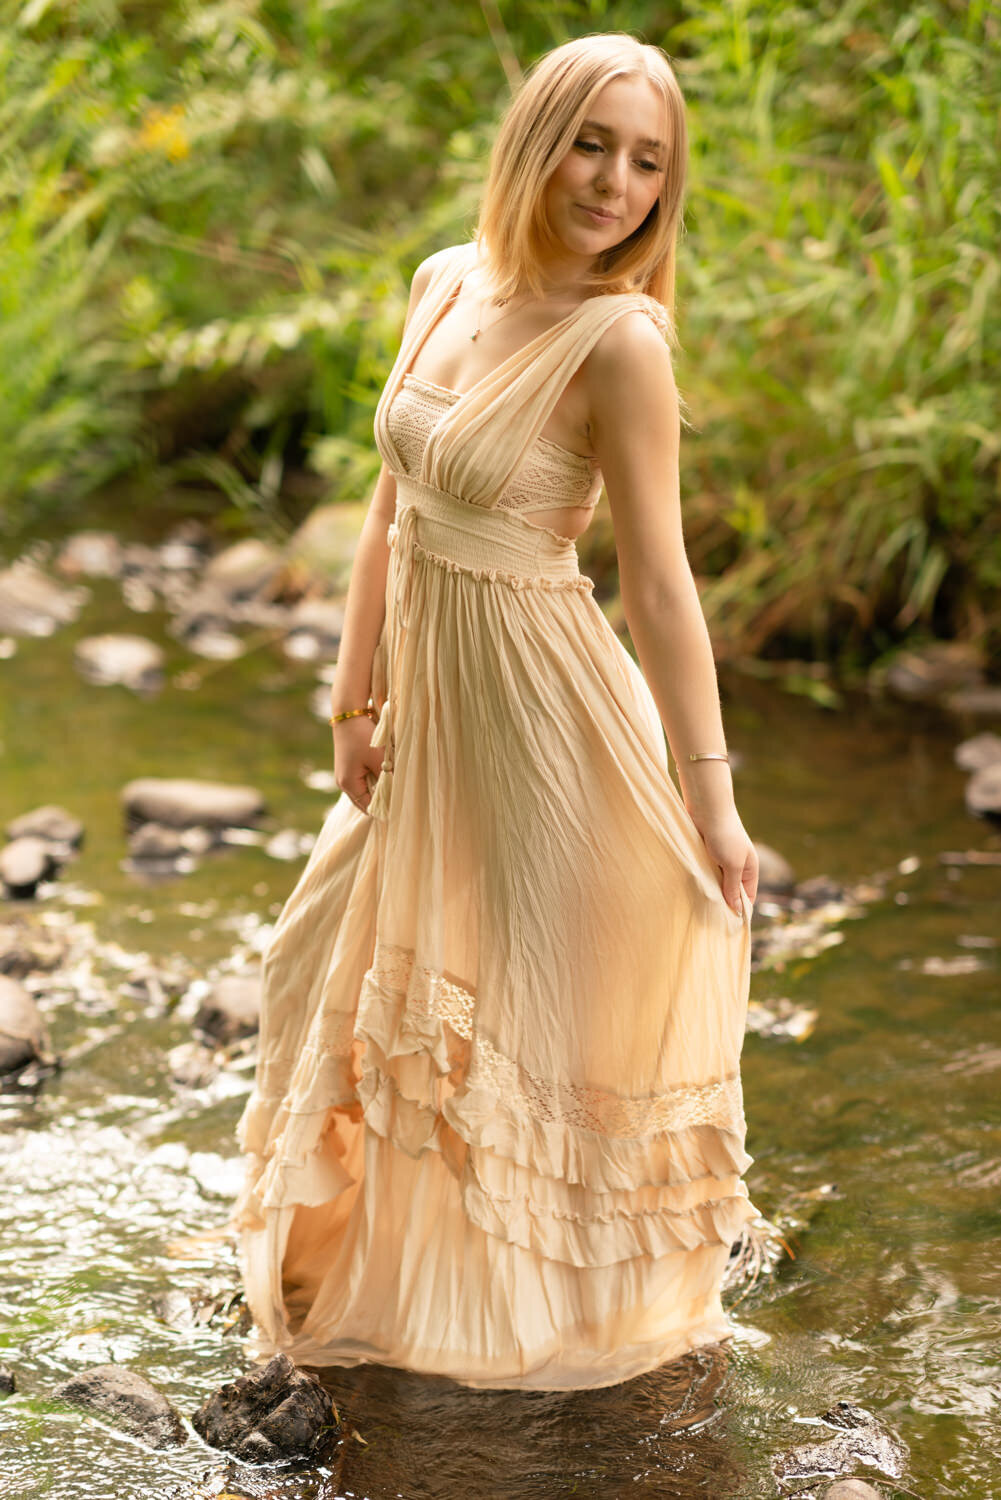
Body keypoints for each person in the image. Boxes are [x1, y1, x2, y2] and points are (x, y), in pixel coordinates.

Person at [226, 30, 761, 1392]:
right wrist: (352, 698)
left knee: (522, 1011)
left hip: (542, 715)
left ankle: (531, 1325)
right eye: (592, 142)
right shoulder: (443, 281)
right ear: (535, 137)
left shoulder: (620, 340)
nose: (615, 183)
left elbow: (656, 579)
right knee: (321, 972)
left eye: (647, 161)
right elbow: (388, 512)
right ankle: (376, 1282)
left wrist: (711, 796)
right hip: (428, 719)